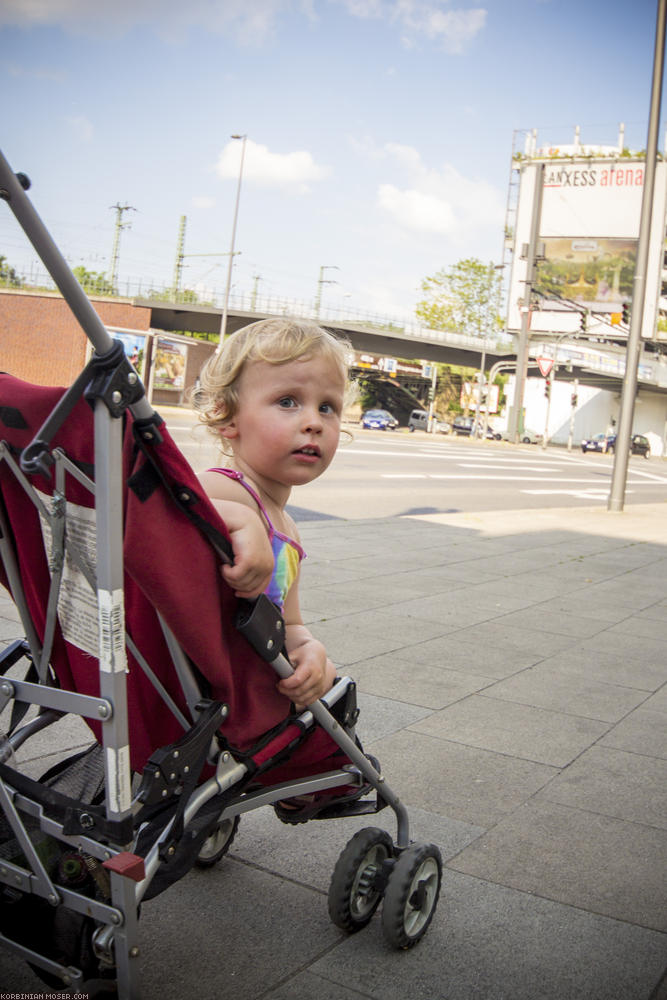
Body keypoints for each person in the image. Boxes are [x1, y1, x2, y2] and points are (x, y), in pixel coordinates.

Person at [195, 318, 373, 822]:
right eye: (288, 402)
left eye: (328, 407)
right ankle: (304, 778)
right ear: (227, 418)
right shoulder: (224, 487)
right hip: (211, 683)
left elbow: (290, 623)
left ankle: (299, 779)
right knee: (338, 702)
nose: (313, 421)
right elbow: (165, 508)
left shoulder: (288, 530)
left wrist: (310, 648)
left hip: (246, 680)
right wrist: (237, 520)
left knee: (329, 677)